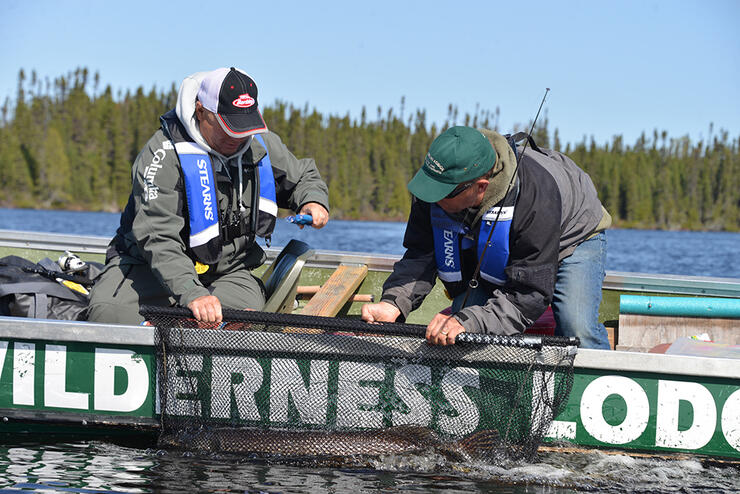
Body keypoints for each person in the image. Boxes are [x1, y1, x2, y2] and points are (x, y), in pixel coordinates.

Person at [88, 67, 329, 325]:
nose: (237, 138)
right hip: (147, 269)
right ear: (201, 111)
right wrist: (192, 293)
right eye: (228, 127)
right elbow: (158, 237)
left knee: (246, 316)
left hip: (227, 273)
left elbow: (303, 176)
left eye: (243, 127)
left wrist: (312, 200)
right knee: (108, 313)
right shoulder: (161, 156)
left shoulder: (258, 144)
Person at [361, 126, 611, 349]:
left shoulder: (536, 201)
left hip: (574, 235)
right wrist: (393, 304)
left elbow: (528, 294)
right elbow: (421, 254)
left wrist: (473, 323)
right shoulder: (438, 184)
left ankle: (607, 380)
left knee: (576, 327)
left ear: (480, 187)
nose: (432, 199)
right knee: (461, 323)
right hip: (496, 235)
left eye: (442, 194)